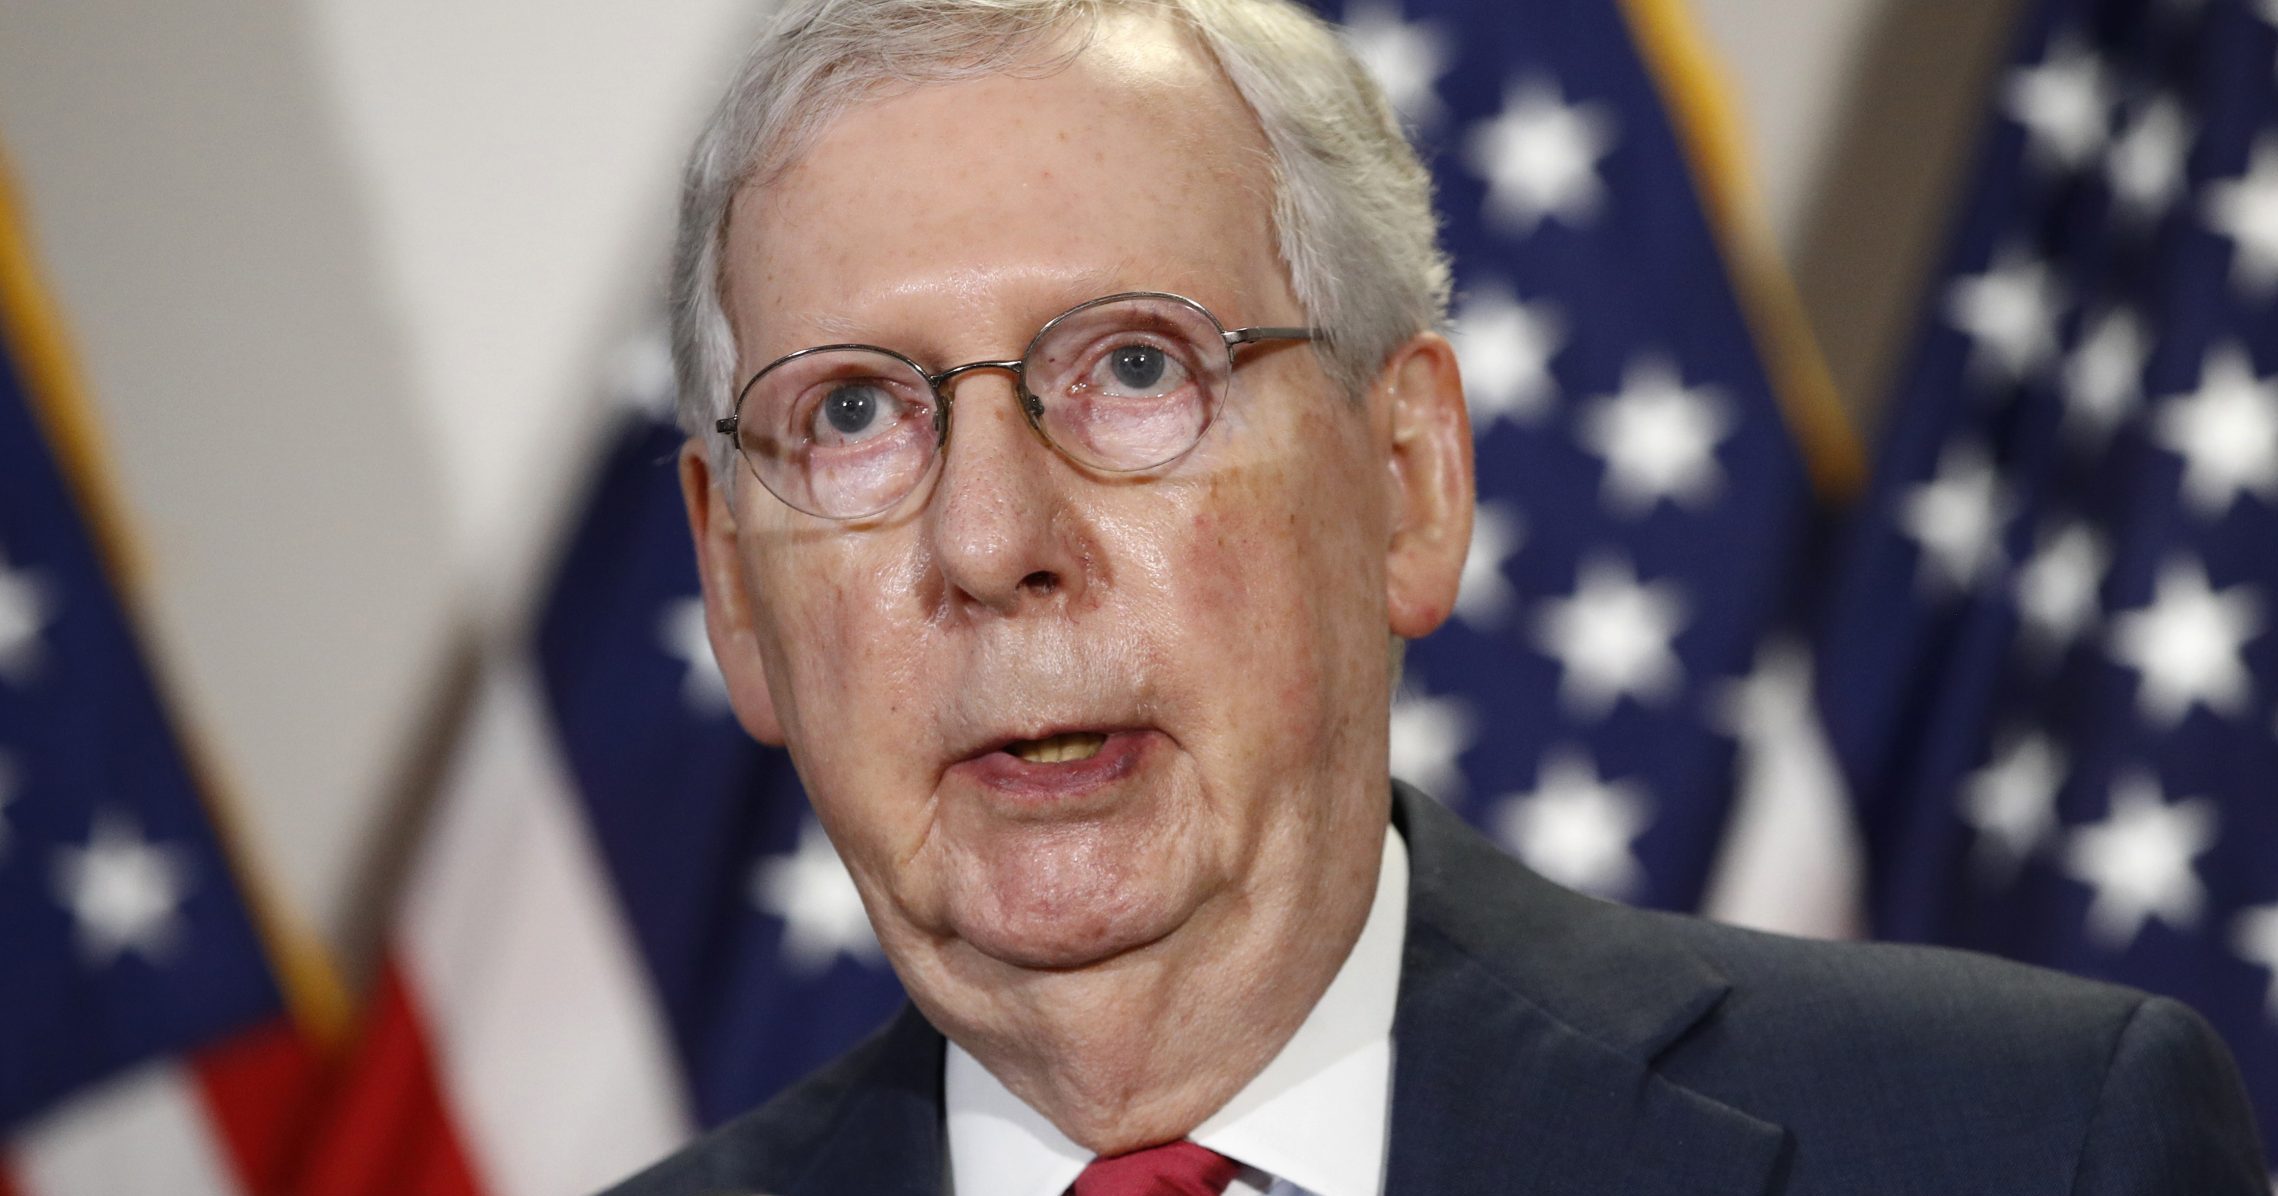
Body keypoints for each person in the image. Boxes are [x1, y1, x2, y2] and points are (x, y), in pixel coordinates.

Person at [604, 0, 2269, 1190]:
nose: (987, 541)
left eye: (1128, 366)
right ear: (735, 595)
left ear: (1405, 479)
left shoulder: (2023, 1146)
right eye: (850, 414)